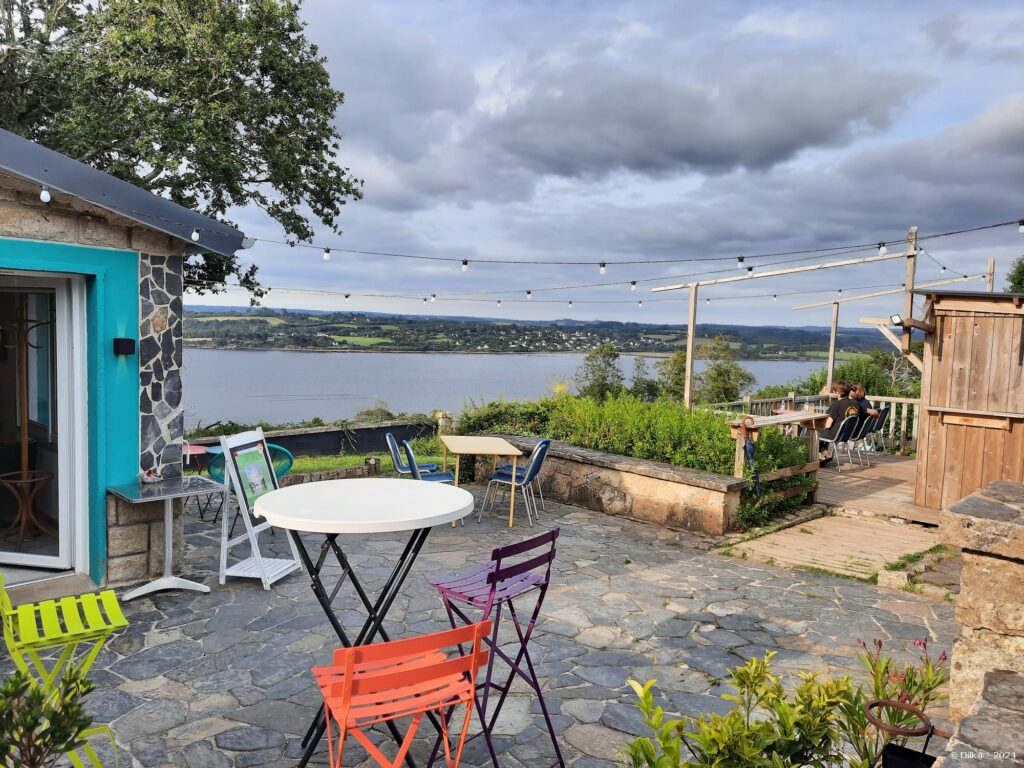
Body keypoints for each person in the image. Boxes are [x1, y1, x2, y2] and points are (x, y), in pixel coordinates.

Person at [818, 380, 861, 465]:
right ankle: (824, 452)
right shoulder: (856, 404)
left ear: (837, 392)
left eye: (834, 390)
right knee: (824, 432)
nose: (833, 392)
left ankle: (821, 454)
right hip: (846, 434)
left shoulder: (836, 404)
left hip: (835, 434)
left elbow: (828, 425)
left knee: (815, 432)